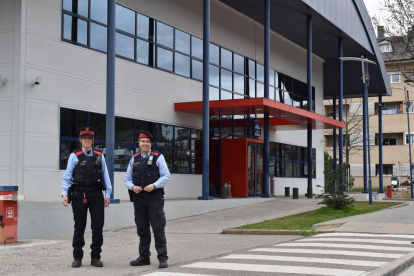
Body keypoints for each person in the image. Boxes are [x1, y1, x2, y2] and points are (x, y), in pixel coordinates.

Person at [61, 127, 112, 268]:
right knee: (79, 227)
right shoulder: (74, 156)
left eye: (90, 138)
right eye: (85, 138)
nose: (87, 141)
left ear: (92, 141)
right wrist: (64, 194)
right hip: (79, 195)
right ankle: (77, 257)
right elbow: (67, 178)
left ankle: (96, 257)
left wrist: (108, 194)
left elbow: (106, 177)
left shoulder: (99, 156)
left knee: (97, 227)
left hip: (96, 194)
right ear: (81, 140)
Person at [124, 130, 171, 269]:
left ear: (151, 144)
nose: (145, 144)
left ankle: (162, 258)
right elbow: (127, 179)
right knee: (142, 229)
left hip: (154, 197)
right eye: (142, 141)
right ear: (139, 143)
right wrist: (132, 187)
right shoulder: (134, 159)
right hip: (139, 198)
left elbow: (166, 176)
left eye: (147, 142)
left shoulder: (158, 157)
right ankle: (144, 257)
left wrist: (154, 185)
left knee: (158, 228)